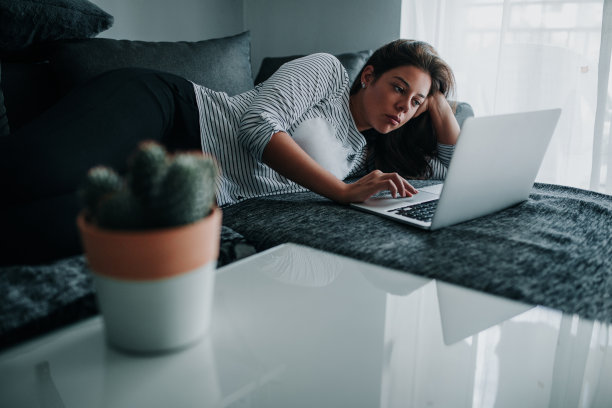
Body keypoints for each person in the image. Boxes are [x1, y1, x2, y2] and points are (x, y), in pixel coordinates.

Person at [0, 39, 459, 263]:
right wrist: (340, 191)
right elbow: (256, 124)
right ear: (368, 75)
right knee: (32, 173)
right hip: (170, 113)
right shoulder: (326, 73)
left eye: (415, 103)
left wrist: (437, 101)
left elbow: (449, 171)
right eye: (399, 88)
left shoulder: (364, 154)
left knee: (52, 229)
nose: (404, 106)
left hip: (184, 185)